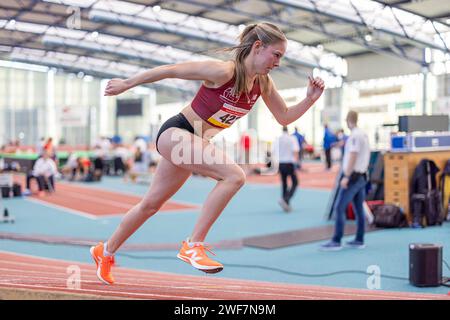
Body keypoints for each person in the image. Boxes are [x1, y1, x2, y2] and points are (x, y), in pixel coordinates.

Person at [90, 22, 325, 285]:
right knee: (233, 176)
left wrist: (310, 99)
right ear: (258, 47)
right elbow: (171, 70)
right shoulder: (222, 71)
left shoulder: (263, 84)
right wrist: (127, 84)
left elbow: (284, 116)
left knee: (150, 205)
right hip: (176, 132)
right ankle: (193, 245)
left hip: (194, 141)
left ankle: (105, 251)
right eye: (277, 55)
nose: (278, 63)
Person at [320, 111, 370, 251]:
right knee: (358, 208)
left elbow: (353, 155)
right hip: (362, 175)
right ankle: (359, 239)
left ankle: (336, 240)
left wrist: (346, 176)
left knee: (339, 207)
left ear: (348, 120)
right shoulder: (363, 134)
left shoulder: (354, 136)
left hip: (353, 176)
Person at [273, 126, 300, 212]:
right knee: (295, 182)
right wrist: (296, 164)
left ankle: (285, 202)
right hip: (289, 163)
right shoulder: (292, 138)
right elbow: (296, 151)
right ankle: (286, 199)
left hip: (281, 163)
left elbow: (274, 152)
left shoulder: (278, 139)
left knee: (284, 183)